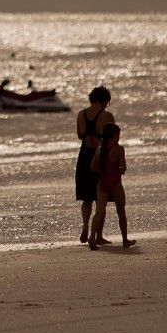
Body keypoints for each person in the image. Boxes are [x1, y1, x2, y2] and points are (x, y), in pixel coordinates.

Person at [74, 86, 114, 244]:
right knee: (101, 198)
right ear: (104, 100)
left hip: (84, 156)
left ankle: (85, 227)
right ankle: (97, 235)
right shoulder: (107, 115)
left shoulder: (80, 114)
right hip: (99, 157)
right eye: (107, 102)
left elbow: (79, 135)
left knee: (86, 198)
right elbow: (111, 140)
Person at [88, 123, 136, 250]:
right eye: (118, 134)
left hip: (102, 183)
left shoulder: (99, 149)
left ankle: (92, 237)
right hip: (115, 183)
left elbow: (93, 167)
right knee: (121, 212)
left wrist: (104, 170)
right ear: (114, 136)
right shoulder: (119, 149)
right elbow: (123, 167)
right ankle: (125, 240)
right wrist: (119, 169)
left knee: (99, 212)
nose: (119, 137)